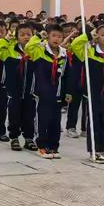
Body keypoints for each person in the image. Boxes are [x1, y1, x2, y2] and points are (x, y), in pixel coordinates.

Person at [71, 24, 104, 162]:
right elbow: (75, 46)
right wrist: (87, 36)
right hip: (93, 94)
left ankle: (103, 149)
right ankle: (94, 150)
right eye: (102, 34)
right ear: (97, 36)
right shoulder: (90, 52)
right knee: (94, 122)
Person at [25, 24, 71, 159]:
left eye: (59, 36)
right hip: (42, 92)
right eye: (53, 36)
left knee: (55, 122)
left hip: (57, 93)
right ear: (48, 37)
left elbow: (67, 74)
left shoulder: (64, 54)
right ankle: (41, 146)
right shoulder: (40, 50)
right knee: (42, 120)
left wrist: (68, 92)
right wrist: (39, 36)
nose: (56, 39)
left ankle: (53, 146)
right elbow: (29, 47)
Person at [0, 22, 38, 151]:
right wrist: (7, 38)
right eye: (22, 34)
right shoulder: (10, 51)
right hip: (14, 90)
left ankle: (29, 138)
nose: (26, 37)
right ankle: (14, 137)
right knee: (14, 114)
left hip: (30, 90)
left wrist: (36, 40)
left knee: (30, 115)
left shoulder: (36, 51)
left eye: (29, 34)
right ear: (16, 37)